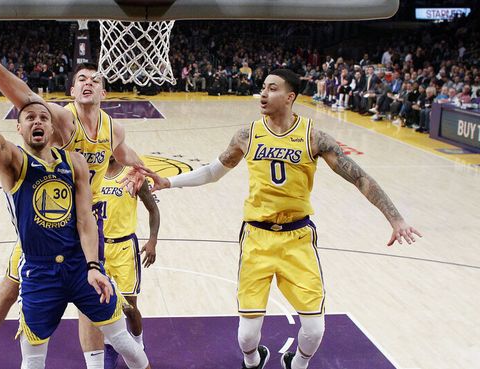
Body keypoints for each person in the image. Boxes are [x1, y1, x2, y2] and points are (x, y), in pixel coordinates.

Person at [136, 69, 421, 369]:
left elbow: (359, 178)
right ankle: (254, 360)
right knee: (246, 337)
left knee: (314, 330)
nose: (263, 94)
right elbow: (212, 171)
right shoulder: (247, 135)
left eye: (272, 89)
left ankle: (295, 364)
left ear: (290, 97)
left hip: (298, 239)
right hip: (257, 238)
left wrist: (396, 218)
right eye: (262, 88)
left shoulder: (314, 136)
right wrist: (171, 182)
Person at [0, 59, 151, 369]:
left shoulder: (112, 128)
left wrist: (147, 172)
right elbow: (24, 98)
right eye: (82, 79)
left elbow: (124, 154)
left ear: (104, 89)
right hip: (39, 230)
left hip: (84, 230)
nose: (89, 83)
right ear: (72, 90)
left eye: (95, 79)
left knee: (92, 301)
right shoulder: (60, 119)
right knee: (9, 289)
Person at [98, 157, 159, 368]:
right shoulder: (91, 174)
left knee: (129, 308)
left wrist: (152, 241)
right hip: (99, 248)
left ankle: (139, 344)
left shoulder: (133, 175)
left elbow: (153, 209)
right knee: (103, 303)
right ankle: (109, 347)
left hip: (125, 248)